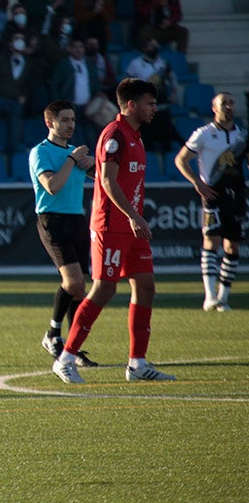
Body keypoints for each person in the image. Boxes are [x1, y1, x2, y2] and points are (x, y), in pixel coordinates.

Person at [52, 78, 176, 384]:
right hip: (111, 226)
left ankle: (137, 364)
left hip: (132, 227)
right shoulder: (115, 134)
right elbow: (107, 181)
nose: (154, 109)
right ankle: (66, 358)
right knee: (104, 288)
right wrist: (134, 216)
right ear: (131, 105)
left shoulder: (134, 135)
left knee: (146, 286)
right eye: (149, 103)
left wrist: (135, 219)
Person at [30, 100, 99, 368]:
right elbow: (52, 186)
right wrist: (73, 160)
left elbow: (103, 177)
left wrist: (96, 163)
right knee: (72, 283)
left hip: (77, 220)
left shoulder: (75, 153)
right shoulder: (41, 152)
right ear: (50, 123)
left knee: (81, 289)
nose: (71, 125)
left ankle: (71, 348)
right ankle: (53, 334)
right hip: (52, 220)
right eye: (65, 120)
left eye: (73, 120)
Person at [174, 92, 247, 312]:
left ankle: (223, 298)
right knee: (211, 241)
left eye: (231, 102)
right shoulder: (203, 134)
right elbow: (181, 159)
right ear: (214, 108)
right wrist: (197, 182)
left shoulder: (243, 137)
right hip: (212, 194)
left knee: (232, 245)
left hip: (236, 195)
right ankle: (209, 295)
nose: (228, 106)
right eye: (224, 103)